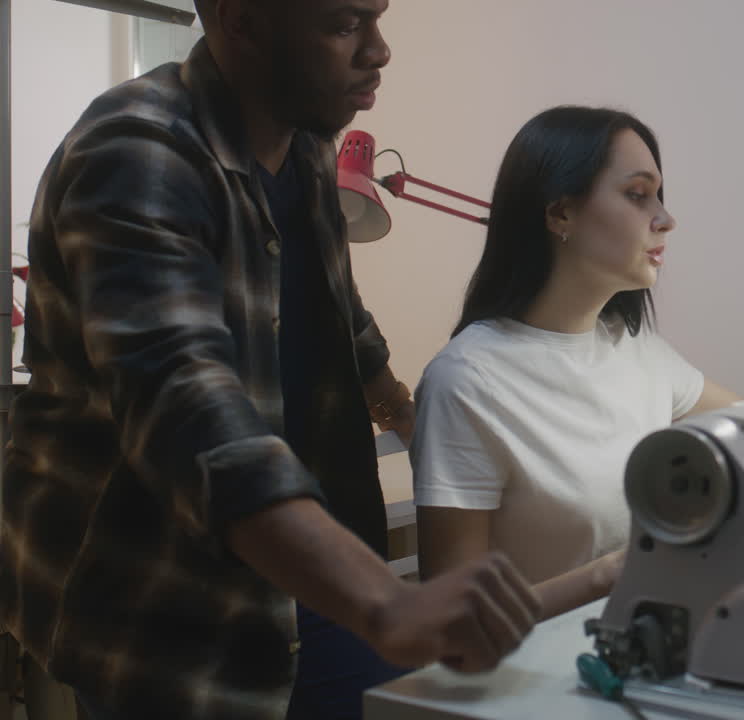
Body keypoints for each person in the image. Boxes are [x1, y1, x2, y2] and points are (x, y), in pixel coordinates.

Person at [0, 2, 539, 719]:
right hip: (155, 592)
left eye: (376, 18)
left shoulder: (307, 144)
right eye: (345, 23)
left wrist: (401, 405)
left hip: (294, 569)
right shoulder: (138, 150)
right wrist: (382, 602)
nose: (379, 51)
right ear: (241, 21)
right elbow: (187, 410)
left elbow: (337, 304)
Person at [411, 106, 740, 620]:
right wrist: (614, 573)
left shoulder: (635, 349)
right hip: (535, 679)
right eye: (637, 195)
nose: (666, 219)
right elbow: (456, 619)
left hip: (645, 646)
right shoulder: (467, 382)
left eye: (659, 196)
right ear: (560, 213)